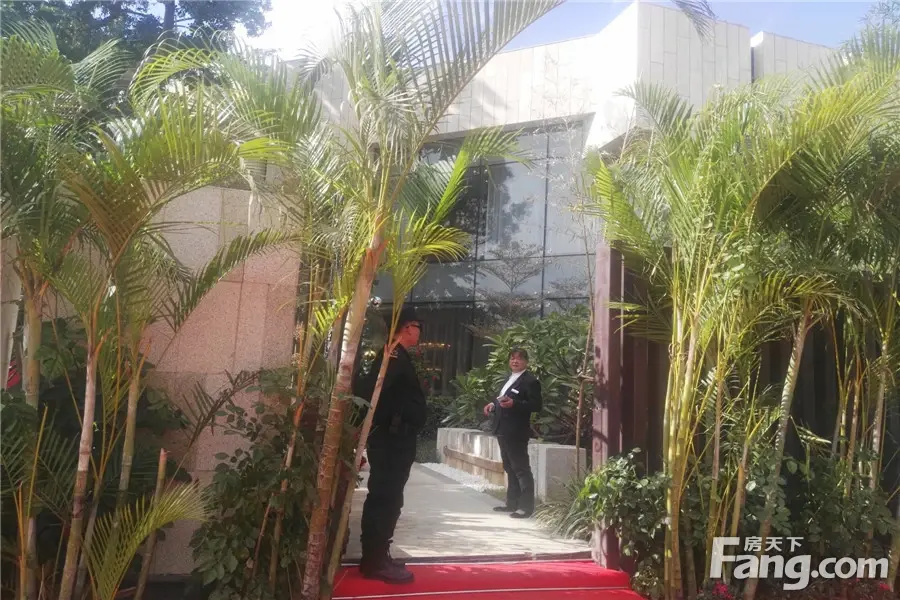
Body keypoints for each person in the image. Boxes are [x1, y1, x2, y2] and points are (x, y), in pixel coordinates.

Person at [352, 306, 427, 584]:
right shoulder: (392, 357)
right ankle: (374, 561)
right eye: (418, 326)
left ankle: (378, 555)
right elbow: (374, 396)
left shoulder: (395, 355)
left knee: (388, 497)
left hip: (394, 440)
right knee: (385, 498)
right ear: (407, 327)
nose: (419, 332)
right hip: (391, 441)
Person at [483, 348, 542, 518]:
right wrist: (493, 405)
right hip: (502, 429)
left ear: (526, 362)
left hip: (516, 431)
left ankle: (526, 507)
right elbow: (502, 398)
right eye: (512, 358)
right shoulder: (509, 379)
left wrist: (514, 404)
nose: (515, 361)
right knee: (509, 467)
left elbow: (536, 406)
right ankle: (512, 503)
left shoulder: (530, 381)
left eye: (519, 359)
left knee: (521, 468)